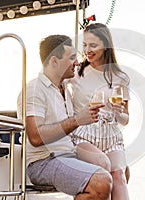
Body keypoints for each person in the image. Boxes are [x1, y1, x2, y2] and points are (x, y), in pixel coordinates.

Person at [17, 34, 112, 200]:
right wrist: (76, 120)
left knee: (119, 169)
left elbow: (70, 131)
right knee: (101, 183)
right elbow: (35, 137)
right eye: (72, 58)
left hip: (68, 154)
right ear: (54, 61)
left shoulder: (65, 90)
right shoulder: (34, 90)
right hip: (43, 161)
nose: (77, 63)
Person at [70, 23, 130, 200]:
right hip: (84, 136)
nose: (87, 50)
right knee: (103, 171)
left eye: (93, 45)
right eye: (85, 45)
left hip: (111, 136)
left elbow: (126, 120)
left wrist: (119, 112)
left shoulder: (120, 77)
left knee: (119, 175)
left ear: (106, 46)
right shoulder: (77, 72)